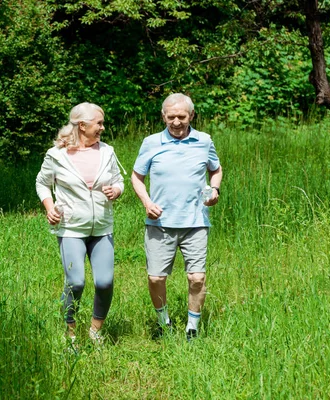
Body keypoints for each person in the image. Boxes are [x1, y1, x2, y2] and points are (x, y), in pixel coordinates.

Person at [131, 93, 223, 341]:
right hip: (160, 223)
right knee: (156, 277)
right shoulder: (151, 143)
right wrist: (147, 202)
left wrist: (214, 190)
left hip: (195, 222)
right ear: (163, 116)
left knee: (197, 277)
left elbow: (215, 169)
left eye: (182, 116)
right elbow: (136, 177)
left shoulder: (204, 141)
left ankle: (192, 329)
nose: (176, 122)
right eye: (171, 117)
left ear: (192, 115)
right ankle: (164, 323)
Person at [36, 102, 125, 346]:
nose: (102, 128)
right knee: (75, 282)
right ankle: (70, 332)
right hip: (71, 228)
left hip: (102, 227)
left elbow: (119, 180)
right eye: (99, 123)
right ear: (82, 125)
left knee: (105, 282)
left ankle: (95, 330)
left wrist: (116, 190)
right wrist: (49, 206)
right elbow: (42, 183)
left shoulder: (107, 151)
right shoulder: (57, 155)